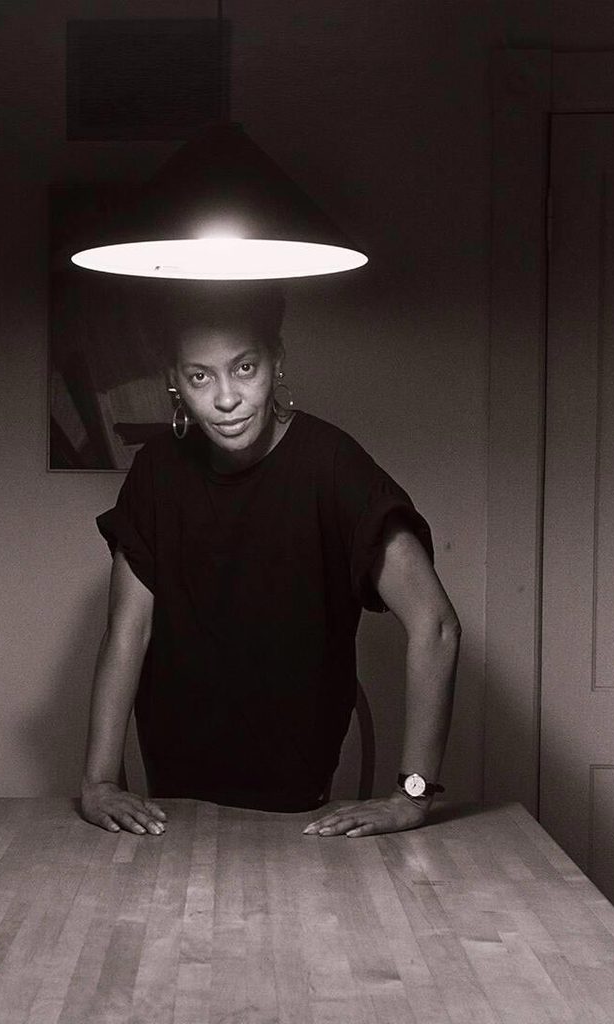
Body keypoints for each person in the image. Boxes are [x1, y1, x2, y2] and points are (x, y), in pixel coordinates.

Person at [80, 282, 460, 838]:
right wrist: (98, 782)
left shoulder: (332, 465)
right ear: (174, 381)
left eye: (245, 368)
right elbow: (127, 632)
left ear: (276, 361)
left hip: (295, 791)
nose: (226, 399)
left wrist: (413, 796)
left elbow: (437, 625)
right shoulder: (157, 471)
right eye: (200, 376)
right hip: (173, 790)